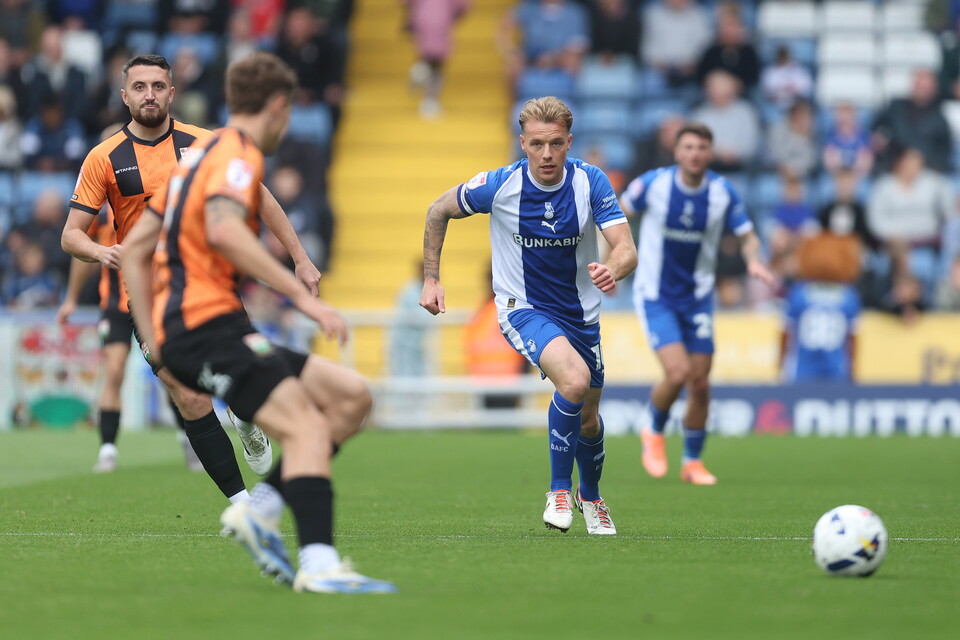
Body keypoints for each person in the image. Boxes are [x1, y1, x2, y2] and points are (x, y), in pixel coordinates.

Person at [121, 51, 395, 594]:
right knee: (310, 426)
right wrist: (302, 295)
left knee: (350, 398)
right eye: (288, 113)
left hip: (198, 330)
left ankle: (261, 509)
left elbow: (132, 250)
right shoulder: (236, 154)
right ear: (277, 107)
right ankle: (319, 566)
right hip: (208, 327)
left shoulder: (198, 157)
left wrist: (157, 345)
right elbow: (225, 231)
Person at [60, 54, 320, 497]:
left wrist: (299, 256)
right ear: (124, 96)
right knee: (190, 395)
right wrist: (102, 251)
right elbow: (70, 235)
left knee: (242, 379)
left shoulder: (206, 143)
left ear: (172, 93)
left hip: (209, 283)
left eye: (158, 86)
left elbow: (259, 194)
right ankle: (242, 503)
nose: (149, 95)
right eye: (139, 87)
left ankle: (246, 416)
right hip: (148, 294)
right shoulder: (103, 158)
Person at [419, 96, 637, 535]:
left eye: (556, 144)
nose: (547, 154)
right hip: (524, 309)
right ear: (523, 143)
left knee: (589, 417)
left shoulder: (591, 182)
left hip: (581, 315)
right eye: (537, 144)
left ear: (569, 142)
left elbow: (626, 248)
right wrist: (431, 278)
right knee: (573, 381)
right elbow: (437, 209)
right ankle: (558, 489)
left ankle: (590, 496)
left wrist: (610, 271)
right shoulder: (498, 186)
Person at [619, 122, 773, 485]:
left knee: (701, 383)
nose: (695, 153)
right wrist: (611, 262)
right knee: (678, 373)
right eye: (688, 147)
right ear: (677, 152)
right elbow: (616, 217)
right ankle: (653, 430)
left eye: (702, 147)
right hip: (656, 296)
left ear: (710, 153)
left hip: (698, 298)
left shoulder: (722, 193)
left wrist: (753, 259)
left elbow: (747, 235)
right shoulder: (653, 184)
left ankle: (691, 462)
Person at [780, 233, 861, 384]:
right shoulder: (849, 296)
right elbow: (852, 341)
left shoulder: (799, 293)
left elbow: (786, 334)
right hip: (837, 372)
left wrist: (780, 367)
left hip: (801, 372)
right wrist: (853, 373)